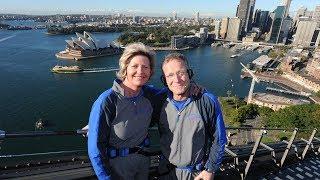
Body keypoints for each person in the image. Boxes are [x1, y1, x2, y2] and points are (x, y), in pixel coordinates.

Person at [87, 42, 157, 180]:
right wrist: (105, 178)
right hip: (118, 167)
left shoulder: (150, 95)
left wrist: (193, 87)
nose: (140, 71)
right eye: (135, 66)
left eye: (145, 67)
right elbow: (95, 148)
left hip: (143, 163)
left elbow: (175, 91)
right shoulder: (107, 101)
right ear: (125, 68)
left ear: (150, 71)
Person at [156, 53, 227, 180]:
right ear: (164, 80)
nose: (177, 79)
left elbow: (219, 139)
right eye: (170, 75)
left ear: (189, 73)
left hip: (196, 174)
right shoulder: (160, 100)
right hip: (166, 172)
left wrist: (210, 169)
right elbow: (137, 91)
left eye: (181, 73)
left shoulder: (206, 101)